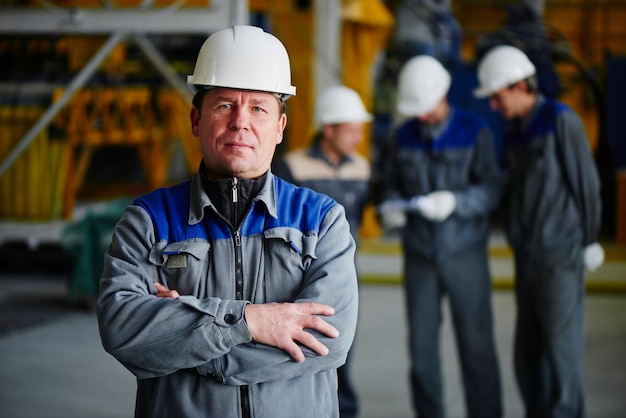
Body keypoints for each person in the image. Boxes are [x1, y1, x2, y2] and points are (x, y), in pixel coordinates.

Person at [96, 25, 359, 418]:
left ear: (279, 127)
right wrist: (249, 321)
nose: (241, 122)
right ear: (196, 120)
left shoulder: (322, 221)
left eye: (258, 108)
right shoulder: (148, 221)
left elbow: (327, 344)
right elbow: (122, 328)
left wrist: (185, 339)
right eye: (224, 105)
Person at [474, 45, 604, 418]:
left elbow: (587, 184)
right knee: (528, 356)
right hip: (528, 257)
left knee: (560, 353)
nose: (494, 107)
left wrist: (591, 238)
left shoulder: (560, 119)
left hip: (560, 257)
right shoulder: (515, 131)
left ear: (520, 86)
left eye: (497, 97)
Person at [378, 55, 503, 418]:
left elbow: (493, 189)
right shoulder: (401, 138)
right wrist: (392, 209)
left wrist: (456, 202)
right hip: (419, 256)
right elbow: (389, 185)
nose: (420, 116)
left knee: (477, 349)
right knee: (422, 354)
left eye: (425, 108)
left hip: (466, 255)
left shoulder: (474, 131)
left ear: (443, 95)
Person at [274, 85, 372, 418]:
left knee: (341, 346)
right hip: (295, 274)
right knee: (299, 348)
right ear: (328, 129)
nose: (357, 138)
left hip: (344, 274)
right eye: (350, 130)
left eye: (360, 130)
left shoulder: (361, 167)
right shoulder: (292, 167)